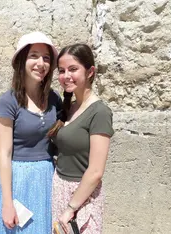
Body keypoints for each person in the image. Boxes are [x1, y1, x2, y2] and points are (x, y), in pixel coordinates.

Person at [0, 31, 61, 233]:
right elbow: (4, 154)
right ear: (22, 60)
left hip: (47, 179)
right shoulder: (8, 101)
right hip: (19, 180)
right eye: (34, 56)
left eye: (46, 58)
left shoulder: (54, 99)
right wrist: (7, 203)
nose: (41, 63)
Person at [48, 43, 114, 234]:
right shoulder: (69, 107)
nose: (66, 76)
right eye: (61, 71)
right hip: (60, 189)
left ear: (90, 71)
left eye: (73, 69)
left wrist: (70, 209)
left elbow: (95, 171)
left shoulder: (100, 112)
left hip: (82, 198)